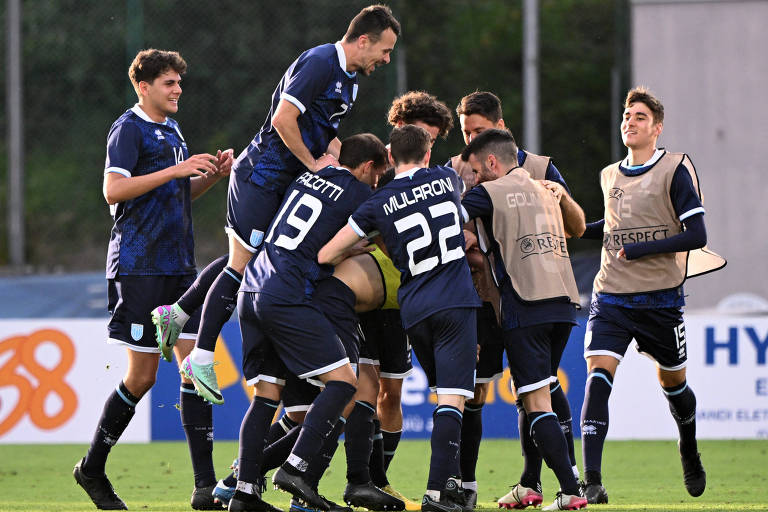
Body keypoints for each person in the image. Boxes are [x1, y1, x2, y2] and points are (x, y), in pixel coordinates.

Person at [151, 4, 401, 405]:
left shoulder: (350, 81)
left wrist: (336, 163)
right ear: (363, 40)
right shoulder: (321, 61)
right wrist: (315, 166)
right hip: (260, 177)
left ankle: (177, 313)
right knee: (241, 262)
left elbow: (325, 133)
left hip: (284, 182)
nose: (386, 59)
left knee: (254, 256)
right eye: (384, 50)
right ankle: (199, 355)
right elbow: (285, 119)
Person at [73, 49, 233, 511]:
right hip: (140, 268)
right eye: (168, 82)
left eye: (179, 81)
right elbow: (113, 189)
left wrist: (209, 176)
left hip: (180, 268)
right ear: (143, 87)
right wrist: (177, 169)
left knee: (196, 366)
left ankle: (204, 488)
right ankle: (92, 468)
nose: (177, 88)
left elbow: (177, 191)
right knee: (141, 377)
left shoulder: (174, 130)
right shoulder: (129, 128)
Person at [319, 125, 481, 512]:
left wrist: (360, 244)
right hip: (455, 302)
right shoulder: (445, 179)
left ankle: (444, 487)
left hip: (412, 309)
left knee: (443, 395)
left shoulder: (378, 202)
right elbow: (460, 224)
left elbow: (326, 255)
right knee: (452, 400)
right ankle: (438, 491)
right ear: (428, 154)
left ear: (389, 158)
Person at [229, 133, 387, 512]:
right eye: (377, 176)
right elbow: (327, 251)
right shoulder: (359, 195)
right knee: (345, 382)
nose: (376, 183)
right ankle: (297, 469)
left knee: (266, 397)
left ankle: (245, 494)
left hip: (251, 288)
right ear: (367, 167)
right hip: (286, 294)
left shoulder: (305, 177)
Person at [447, 91, 584, 507]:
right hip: (550, 299)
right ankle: (525, 483)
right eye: (465, 132)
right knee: (518, 388)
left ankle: (569, 486)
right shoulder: (534, 181)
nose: (468, 142)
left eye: (477, 133)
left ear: (498, 135)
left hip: (520, 301)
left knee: (537, 395)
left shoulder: (519, 178)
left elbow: (576, 225)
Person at [579, 86, 713, 504]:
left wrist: (639, 250)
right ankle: (593, 481)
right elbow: (615, 227)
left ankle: (688, 446)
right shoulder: (608, 175)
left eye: (639, 117)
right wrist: (579, 228)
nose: (629, 122)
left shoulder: (674, 170)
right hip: (612, 296)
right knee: (598, 377)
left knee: (674, 384)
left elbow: (698, 234)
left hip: (660, 301)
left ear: (656, 127)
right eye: (626, 116)